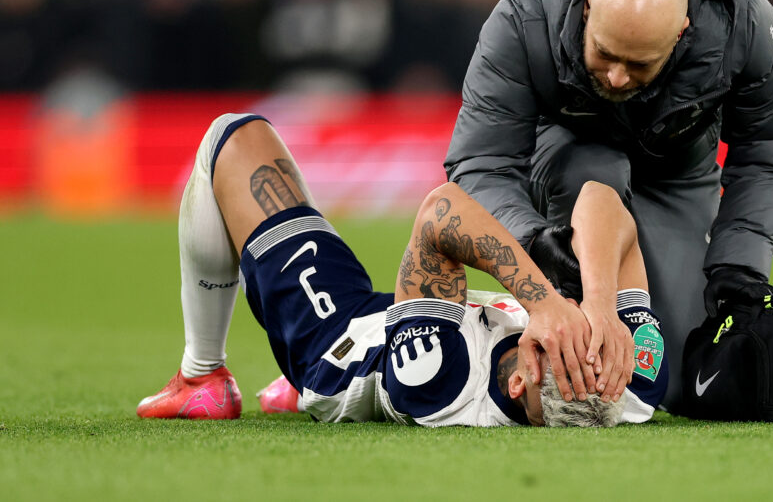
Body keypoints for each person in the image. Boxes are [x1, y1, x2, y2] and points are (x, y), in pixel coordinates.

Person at [445, 0, 773, 413]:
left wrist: (738, 268)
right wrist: (535, 244)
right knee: (592, 171)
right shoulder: (523, 17)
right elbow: (481, 162)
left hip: (678, 172)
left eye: (638, 63)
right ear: (588, 4)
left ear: (682, 32)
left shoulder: (744, 26)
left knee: (684, 382)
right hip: (567, 166)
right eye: (605, 54)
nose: (617, 77)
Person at [137, 113, 667, 426]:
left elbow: (441, 212)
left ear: (518, 383)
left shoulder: (442, 379)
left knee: (232, 136)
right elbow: (602, 200)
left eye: (567, 347)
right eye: (594, 343)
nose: (578, 331)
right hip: (428, 314)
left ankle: (202, 376)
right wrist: (599, 302)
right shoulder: (633, 386)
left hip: (339, 343)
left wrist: (544, 302)